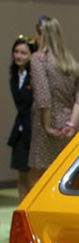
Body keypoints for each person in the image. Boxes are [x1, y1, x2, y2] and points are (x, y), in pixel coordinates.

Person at [28, 15, 79, 189]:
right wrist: (71, 124)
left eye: (37, 34)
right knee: (62, 176)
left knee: (37, 177)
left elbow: (43, 95)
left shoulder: (39, 59)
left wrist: (47, 126)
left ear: (43, 35)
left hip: (46, 125)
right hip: (67, 126)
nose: (35, 38)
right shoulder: (71, 63)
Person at [7, 35, 37, 198]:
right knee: (21, 175)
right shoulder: (15, 76)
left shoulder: (34, 76)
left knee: (33, 176)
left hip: (33, 130)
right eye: (16, 51)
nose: (18, 56)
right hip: (20, 129)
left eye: (23, 53)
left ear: (32, 55)